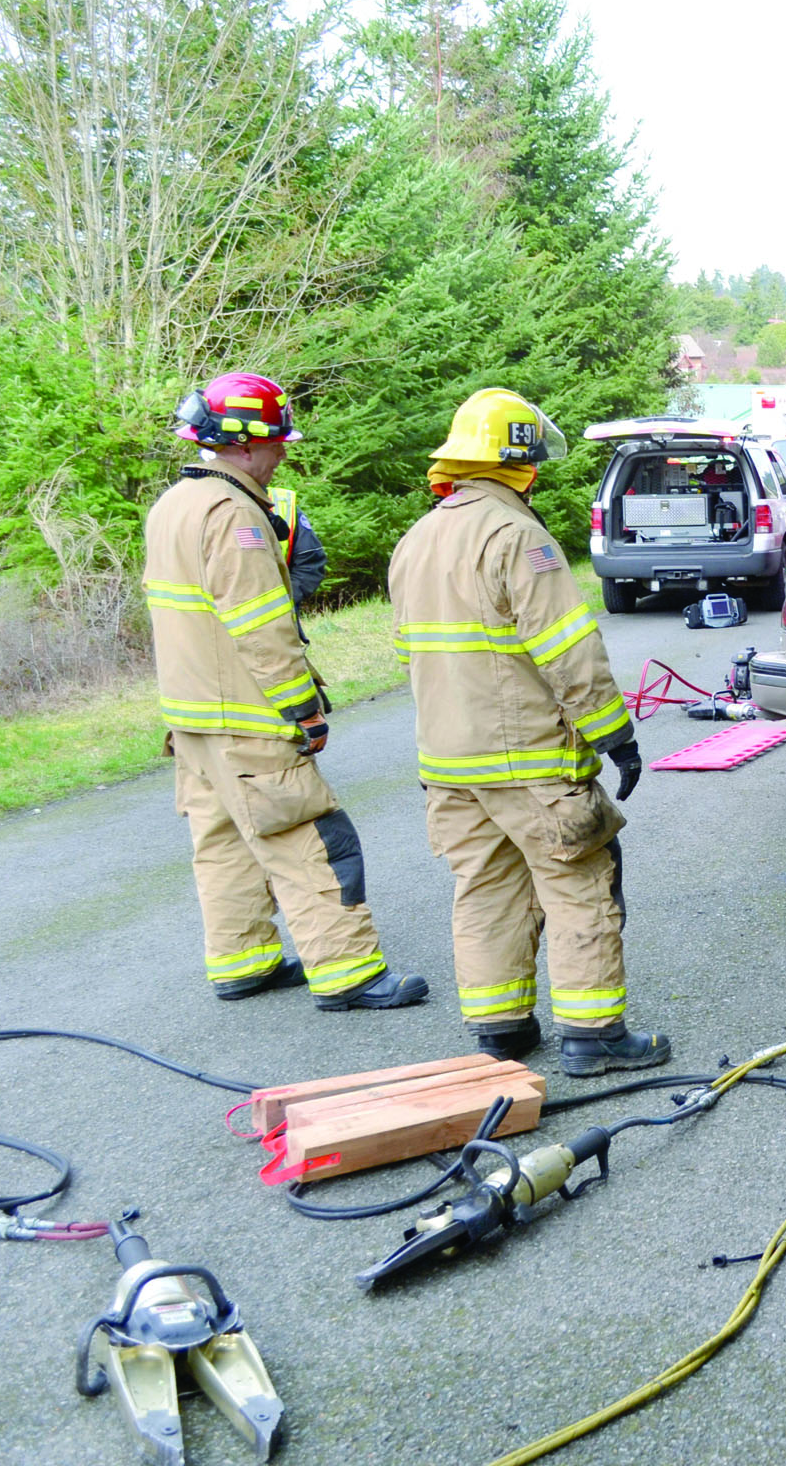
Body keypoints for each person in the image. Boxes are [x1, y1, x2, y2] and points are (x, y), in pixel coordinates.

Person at [388, 388, 665, 1076]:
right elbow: (567, 650)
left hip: (448, 762)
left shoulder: (417, 539)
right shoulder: (517, 537)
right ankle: (593, 1033)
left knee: (485, 888)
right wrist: (614, 736)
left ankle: (501, 1029)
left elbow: (409, 656)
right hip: (528, 761)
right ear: (519, 466)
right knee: (578, 880)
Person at [143, 372, 428, 1010]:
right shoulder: (233, 514)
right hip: (246, 718)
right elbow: (261, 628)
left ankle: (242, 961)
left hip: (192, 719)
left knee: (222, 843)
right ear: (243, 446)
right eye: (276, 441)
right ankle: (349, 973)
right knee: (310, 841)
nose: (283, 453)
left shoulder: (174, 504)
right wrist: (302, 708)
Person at [266, 481, 326, 607]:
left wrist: (285, 601)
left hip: (282, 615)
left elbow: (311, 562)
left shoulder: (281, 502)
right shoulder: (216, 505)